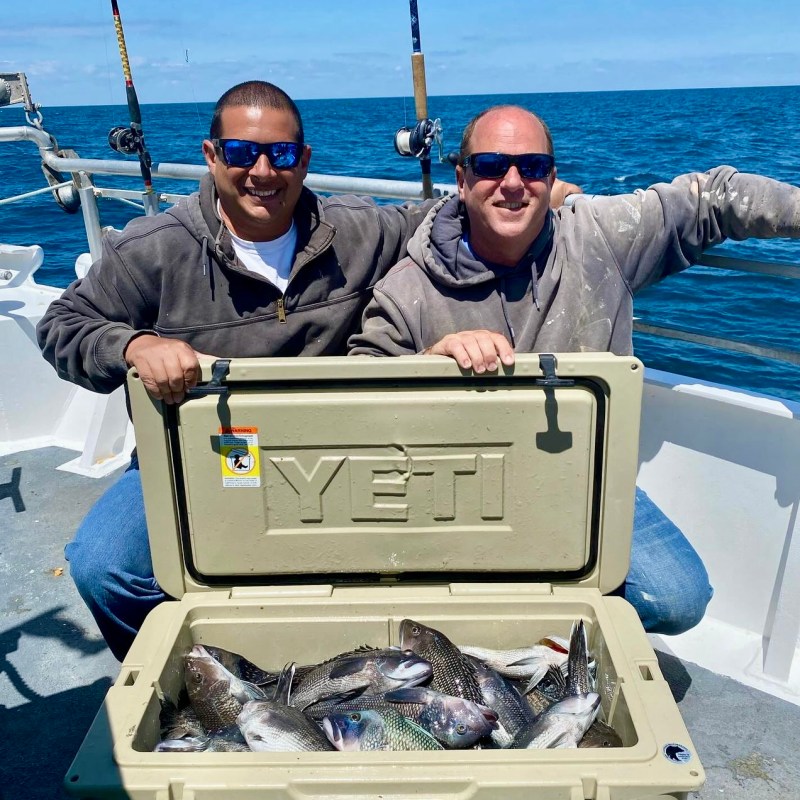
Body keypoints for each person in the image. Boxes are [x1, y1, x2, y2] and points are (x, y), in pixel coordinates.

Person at [36, 83, 580, 660]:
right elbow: (62, 325)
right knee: (105, 567)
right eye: (243, 153)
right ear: (212, 155)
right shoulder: (153, 248)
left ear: (306, 160)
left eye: (284, 155)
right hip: (203, 454)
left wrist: (549, 195)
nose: (264, 172)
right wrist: (132, 344)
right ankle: (199, 671)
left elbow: (446, 215)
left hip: (332, 454)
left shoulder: (357, 232)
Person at [349, 104, 800, 635]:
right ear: (462, 177)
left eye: (533, 168)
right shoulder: (406, 289)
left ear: (552, 177)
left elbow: (710, 197)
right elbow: (361, 396)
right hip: (459, 494)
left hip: (587, 479)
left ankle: (525, 622)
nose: (513, 183)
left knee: (680, 599)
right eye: (492, 165)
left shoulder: (599, 237)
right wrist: (432, 359)